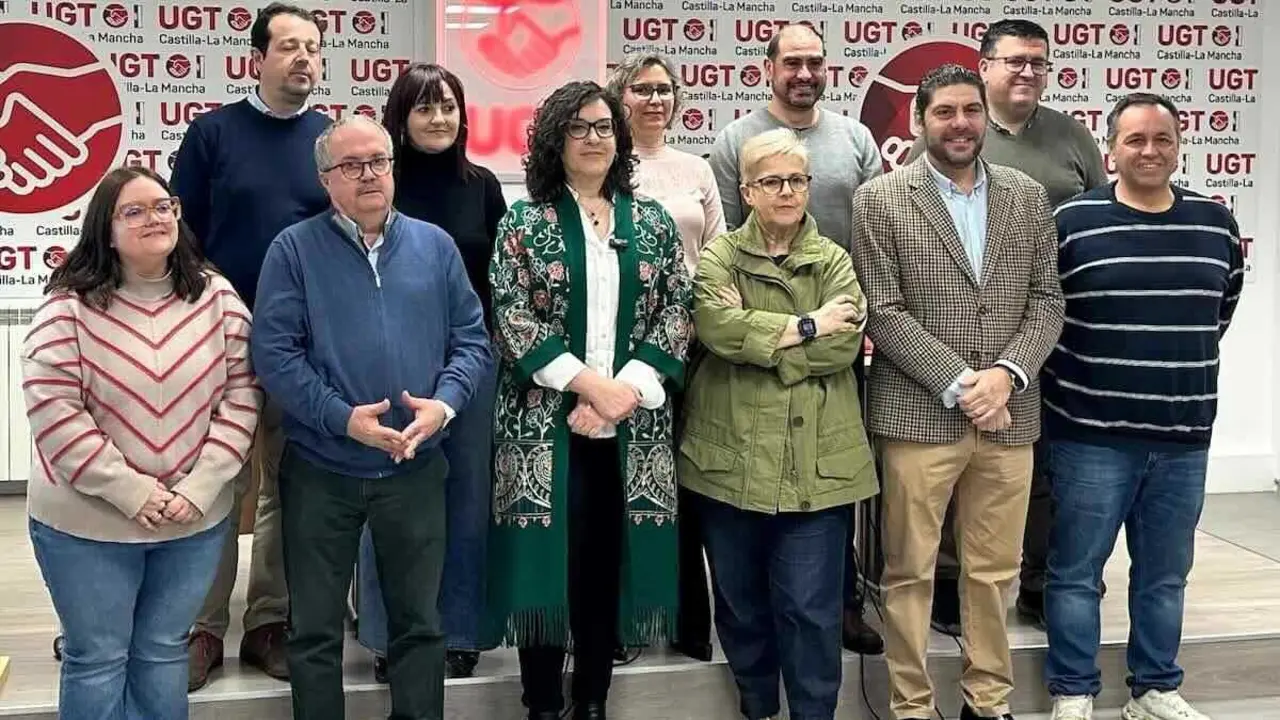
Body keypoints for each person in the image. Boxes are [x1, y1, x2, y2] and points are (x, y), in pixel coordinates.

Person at [251, 115, 493, 720]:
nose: (369, 176)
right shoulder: (293, 250)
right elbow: (274, 354)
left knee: (418, 628)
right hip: (321, 471)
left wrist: (446, 403)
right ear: (325, 179)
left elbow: (471, 339)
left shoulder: (434, 246)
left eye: (379, 162)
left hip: (413, 468)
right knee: (313, 631)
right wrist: (340, 418)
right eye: (351, 166)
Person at [851, 64, 1064, 720]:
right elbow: (883, 310)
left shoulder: (1026, 196)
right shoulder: (880, 199)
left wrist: (1007, 376)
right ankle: (912, 706)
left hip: (1009, 415)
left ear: (985, 117)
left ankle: (988, 701)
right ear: (918, 123)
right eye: (944, 112)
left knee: (992, 573)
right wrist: (960, 381)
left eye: (971, 110)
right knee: (910, 573)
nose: (961, 123)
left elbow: (1046, 300)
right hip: (918, 415)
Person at [485, 81, 693, 720]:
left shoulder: (650, 220)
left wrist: (620, 392)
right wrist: (587, 385)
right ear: (554, 138)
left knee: (606, 562)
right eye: (579, 127)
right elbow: (512, 313)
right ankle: (543, 702)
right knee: (546, 564)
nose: (595, 138)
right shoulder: (525, 219)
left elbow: (676, 311)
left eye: (605, 127)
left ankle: (594, 697)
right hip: (543, 425)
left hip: (631, 425)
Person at [22, 166, 261, 719]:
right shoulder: (68, 307)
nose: (154, 218)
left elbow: (243, 395)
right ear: (105, 229)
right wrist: (132, 492)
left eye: (163, 205)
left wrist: (199, 487)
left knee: (162, 653)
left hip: (191, 522)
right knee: (98, 658)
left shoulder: (217, 297)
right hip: (85, 525)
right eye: (134, 210)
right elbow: (54, 409)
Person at [1041, 93, 1243, 720]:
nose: (1149, 151)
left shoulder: (1215, 223)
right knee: (1076, 573)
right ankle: (1073, 691)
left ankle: (1154, 688)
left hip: (1183, 437)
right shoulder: (1073, 222)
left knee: (1164, 575)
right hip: (1089, 436)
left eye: (1162, 139)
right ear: (1111, 151)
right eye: (1135, 140)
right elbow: (1046, 318)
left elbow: (1219, 312)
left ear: (1179, 145)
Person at [907, 18, 1109, 635]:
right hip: (959, 341)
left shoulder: (1071, 136)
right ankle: (947, 582)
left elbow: (1102, 214)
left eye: (1038, 63)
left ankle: (1039, 582)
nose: (1027, 72)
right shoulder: (956, 131)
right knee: (953, 463)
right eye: (1015, 61)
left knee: (1043, 465)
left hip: (1053, 328)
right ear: (985, 64)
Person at [681, 127, 877, 720]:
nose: (787, 191)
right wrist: (807, 325)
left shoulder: (835, 259)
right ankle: (758, 707)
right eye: (772, 181)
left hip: (817, 465)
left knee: (812, 609)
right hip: (728, 459)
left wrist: (760, 340)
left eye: (797, 180)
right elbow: (715, 330)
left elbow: (843, 350)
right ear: (746, 190)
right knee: (740, 604)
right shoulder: (719, 256)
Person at [707, 21, 884, 656]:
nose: (804, 73)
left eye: (815, 61)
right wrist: (790, 331)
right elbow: (728, 243)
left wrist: (836, 321)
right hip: (766, 328)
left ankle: (841, 603)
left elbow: (871, 230)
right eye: (792, 62)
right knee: (753, 480)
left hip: (840, 311)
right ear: (769, 67)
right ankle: (760, 616)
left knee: (826, 476)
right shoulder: (735, 139)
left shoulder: (854, 138)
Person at [170, 1, 331, 690]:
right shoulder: (211, 135)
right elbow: (184, 240)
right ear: (256, 59)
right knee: (216, 486)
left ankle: (270, 623)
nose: (303, 58)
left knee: (286, 491)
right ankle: (201, 628)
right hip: (222, 344)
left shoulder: (331, 140)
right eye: (289, 46)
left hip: (304, 347)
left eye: (313, 48)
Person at [353, 62, 506, 682]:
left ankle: (460, 630)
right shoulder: (380, 187)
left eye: (448, 106)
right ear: (400, 119)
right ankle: (392, 636)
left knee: (467, 500)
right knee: (391, 503)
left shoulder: (485, 185)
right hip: (390, 361)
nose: (438, 118)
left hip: (469, 362)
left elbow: (501, 281)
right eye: (423, 108)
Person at [605, 51, 725, 662]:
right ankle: (627, 620)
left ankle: (688, 620)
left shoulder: (696, 169)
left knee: (688, 482)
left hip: (694, 345)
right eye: (642, 90)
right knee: (630, 484)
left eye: (664, 89)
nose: (655, 100)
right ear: (618, 99)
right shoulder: (605, 166)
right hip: (621, 353)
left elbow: (717, 256)